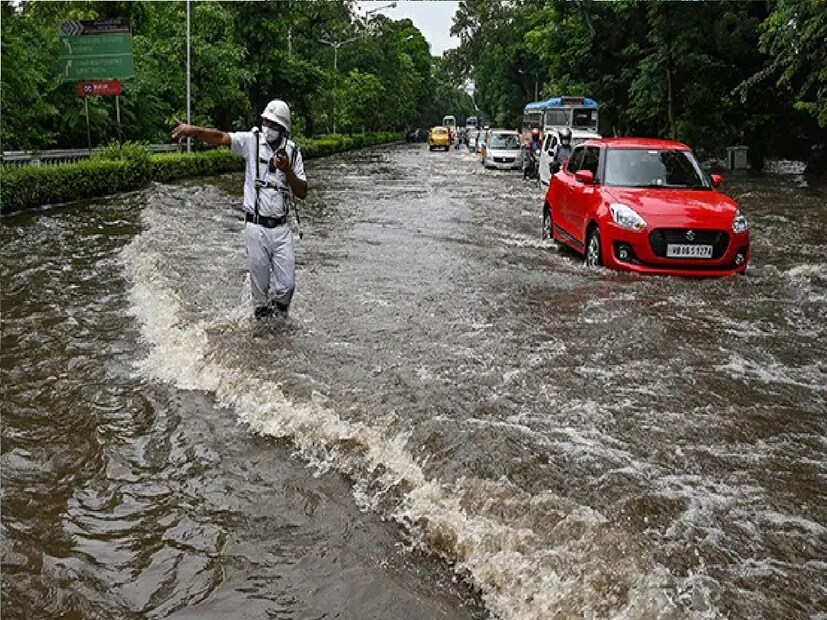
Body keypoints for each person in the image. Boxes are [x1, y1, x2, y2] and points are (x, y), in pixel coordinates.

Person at [171, 99, 309, 320]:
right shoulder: (251, 142)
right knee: (260, 291)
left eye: (274, 124)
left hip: (282, 229)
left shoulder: (292, 152)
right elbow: (221, 137)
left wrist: (288, 170)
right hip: (256, 227)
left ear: (284, 128)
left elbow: (302, 191)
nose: (268, 128)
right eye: (266, 122)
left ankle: (280, 319)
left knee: (288, 287)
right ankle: (263, 331)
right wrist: (194, 130)